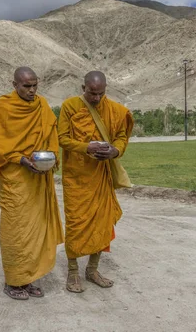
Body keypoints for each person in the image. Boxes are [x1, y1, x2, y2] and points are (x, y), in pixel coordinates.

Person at [0, 66, 64, 300]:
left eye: (35, 85)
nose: (32, 90)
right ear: (14, 85)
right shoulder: (3, 106)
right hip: (16, 180)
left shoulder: (43, 106)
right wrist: (21, 159)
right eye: (26, 86)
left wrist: (48, 159)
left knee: (36, 229)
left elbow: (52, 137)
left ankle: (29, 278)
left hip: (39, 178)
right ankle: (13, 281)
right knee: (16, 230)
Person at [57, 71, 134, 293]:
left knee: (102, 222)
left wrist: (115, 150)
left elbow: (121, 135)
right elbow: (62, 138)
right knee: (76, 223)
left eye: (101, 93)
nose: (96, 98)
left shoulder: (114, 109)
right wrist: (86, 147)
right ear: (84, 88)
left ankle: (92, 269)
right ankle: (72, 272)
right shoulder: (70, 106)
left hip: (101, 175)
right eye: (92, 93)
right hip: (77, 177)